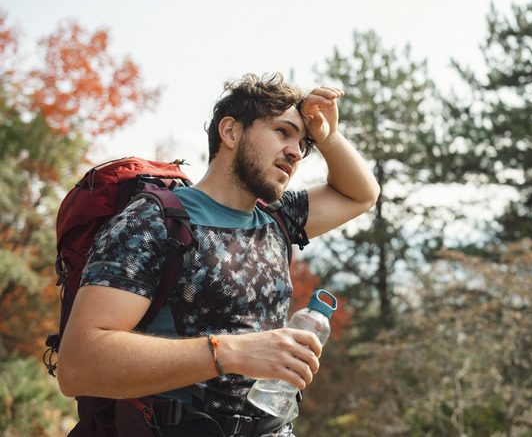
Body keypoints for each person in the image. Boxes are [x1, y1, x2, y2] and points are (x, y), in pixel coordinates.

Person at [56, 73, 380, 437]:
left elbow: (361, 194)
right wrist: (230, 352)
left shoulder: (277, 216)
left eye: (304, 143)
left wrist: (329, 136)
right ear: (230, 132)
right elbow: (78, 365)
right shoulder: (154, 220)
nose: (296, 151)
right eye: (282, 132)